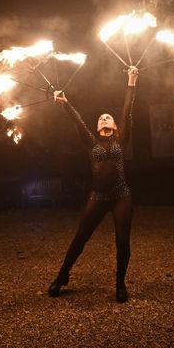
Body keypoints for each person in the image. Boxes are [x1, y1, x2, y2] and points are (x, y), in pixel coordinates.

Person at [49, 66, 138, 303]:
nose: (104, 118)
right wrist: (66, 102)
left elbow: (127, 110)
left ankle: (120, 284)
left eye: (108, 117)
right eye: (100, 118)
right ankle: (62, 276)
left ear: (116, 126)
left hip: (121, 195)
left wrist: (131, 81)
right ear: (97, 127)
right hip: (98, 196)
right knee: (81, 237)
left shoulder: (123, 137)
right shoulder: (91, 143)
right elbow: (78, 121)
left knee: (122, 239)